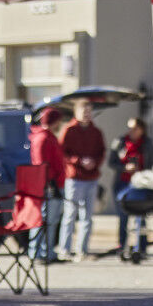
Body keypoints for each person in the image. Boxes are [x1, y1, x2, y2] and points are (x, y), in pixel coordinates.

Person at [57, 100, 106, 262]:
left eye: (89, 111)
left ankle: (82, 250)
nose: (87, 114)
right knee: (70, 214)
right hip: (74, 178)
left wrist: (94, 163)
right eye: (84, 111)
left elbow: (101, 151)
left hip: (91, 178)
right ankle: (65, 249)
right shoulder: (69, 130)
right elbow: (62, 152)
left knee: (87, 216)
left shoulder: (96, 132)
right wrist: (78, 161)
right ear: (77, 113)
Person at [108, 118, 153, 258]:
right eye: (129, 128)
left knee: (141, 217)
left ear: (141, 129)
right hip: (122, 184)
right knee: (123, 217)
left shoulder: (147, 144)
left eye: (134, 128)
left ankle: (141, 247)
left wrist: (142, 173)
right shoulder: (120, 142)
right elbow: (112, 162)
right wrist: (124, 168)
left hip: (140, 184)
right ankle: (122, 246)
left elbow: (152, 164)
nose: (131, 131)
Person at [29, 108, 66, 262]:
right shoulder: (42, 138)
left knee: (50, 221)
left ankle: (47, 251)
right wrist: (50, 183)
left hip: (54, 183)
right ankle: (39, 252)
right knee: (44, 220)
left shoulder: (49, 137)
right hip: (48, 185)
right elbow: (41, 164)